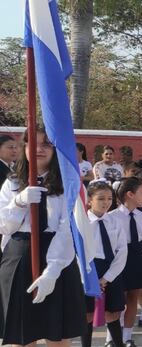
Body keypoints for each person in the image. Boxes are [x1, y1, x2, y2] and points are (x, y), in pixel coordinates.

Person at [0, 128, 86, 345]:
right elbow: (5, 227)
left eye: (46, 144)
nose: (38, 149)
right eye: (32, 143)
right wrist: (19, 201)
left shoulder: (69, 184)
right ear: (24, 147)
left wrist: (53, 270)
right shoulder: (11, 184)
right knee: (20, 336)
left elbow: (68, 229)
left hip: (58, 257)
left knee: (57, 335)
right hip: (20, 256)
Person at [112, 177, 142, 344]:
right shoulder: (113, 217)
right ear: (130, 194)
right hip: (119, 259)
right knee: (118, 300)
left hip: (138, 258)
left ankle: (127, 336)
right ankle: (113, 337)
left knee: (134, 297)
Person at [82, 182, 127, 347]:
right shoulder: (82, 222)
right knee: (87, 314)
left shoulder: (115, 221)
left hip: (111, 271)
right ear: (89, 200)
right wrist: (91, 278)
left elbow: (122, 252)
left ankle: (118, 343)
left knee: (113, 312)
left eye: (109, 198)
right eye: (100, 198)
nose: (106, 202)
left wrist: (106, 278)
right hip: (88, 270)